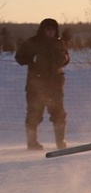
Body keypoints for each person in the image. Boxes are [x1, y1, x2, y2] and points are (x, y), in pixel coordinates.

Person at [16, 18, 70, 150]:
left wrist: (65, 59)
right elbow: (19, 58)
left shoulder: (59, 43)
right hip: (36, 85)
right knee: (34, 113)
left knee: (58, 113)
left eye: (53, 29)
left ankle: (60, 142)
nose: (51, 31)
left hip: (55, 85)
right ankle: (32, 142)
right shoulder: (32, 43)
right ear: (43, 29)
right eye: (48, 29)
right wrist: (31, 59)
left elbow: (66, 58)